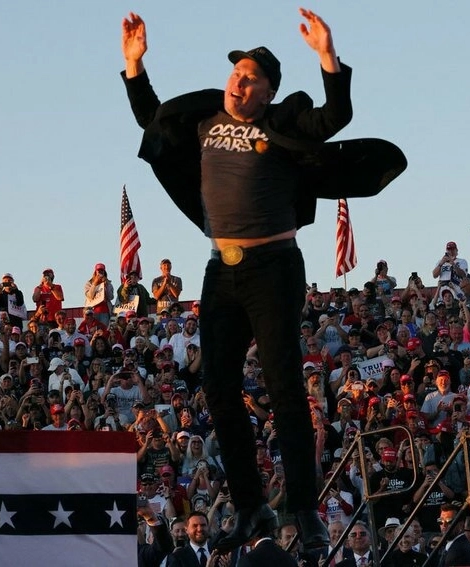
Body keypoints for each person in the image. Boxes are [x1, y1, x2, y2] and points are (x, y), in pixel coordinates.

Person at [120, 7, 404, 552]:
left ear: (267, 92)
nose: (239, 82)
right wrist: (135, 65)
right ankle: (252, 507)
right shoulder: (205, 120)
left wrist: (327, 57)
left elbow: (334, 117)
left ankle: (305, 509)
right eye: (236, 73)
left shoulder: (280, 124)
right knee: (217, 389)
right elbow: (151, 119)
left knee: (284, 387)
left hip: (273, 267)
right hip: (219, 270)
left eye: (251, 78)